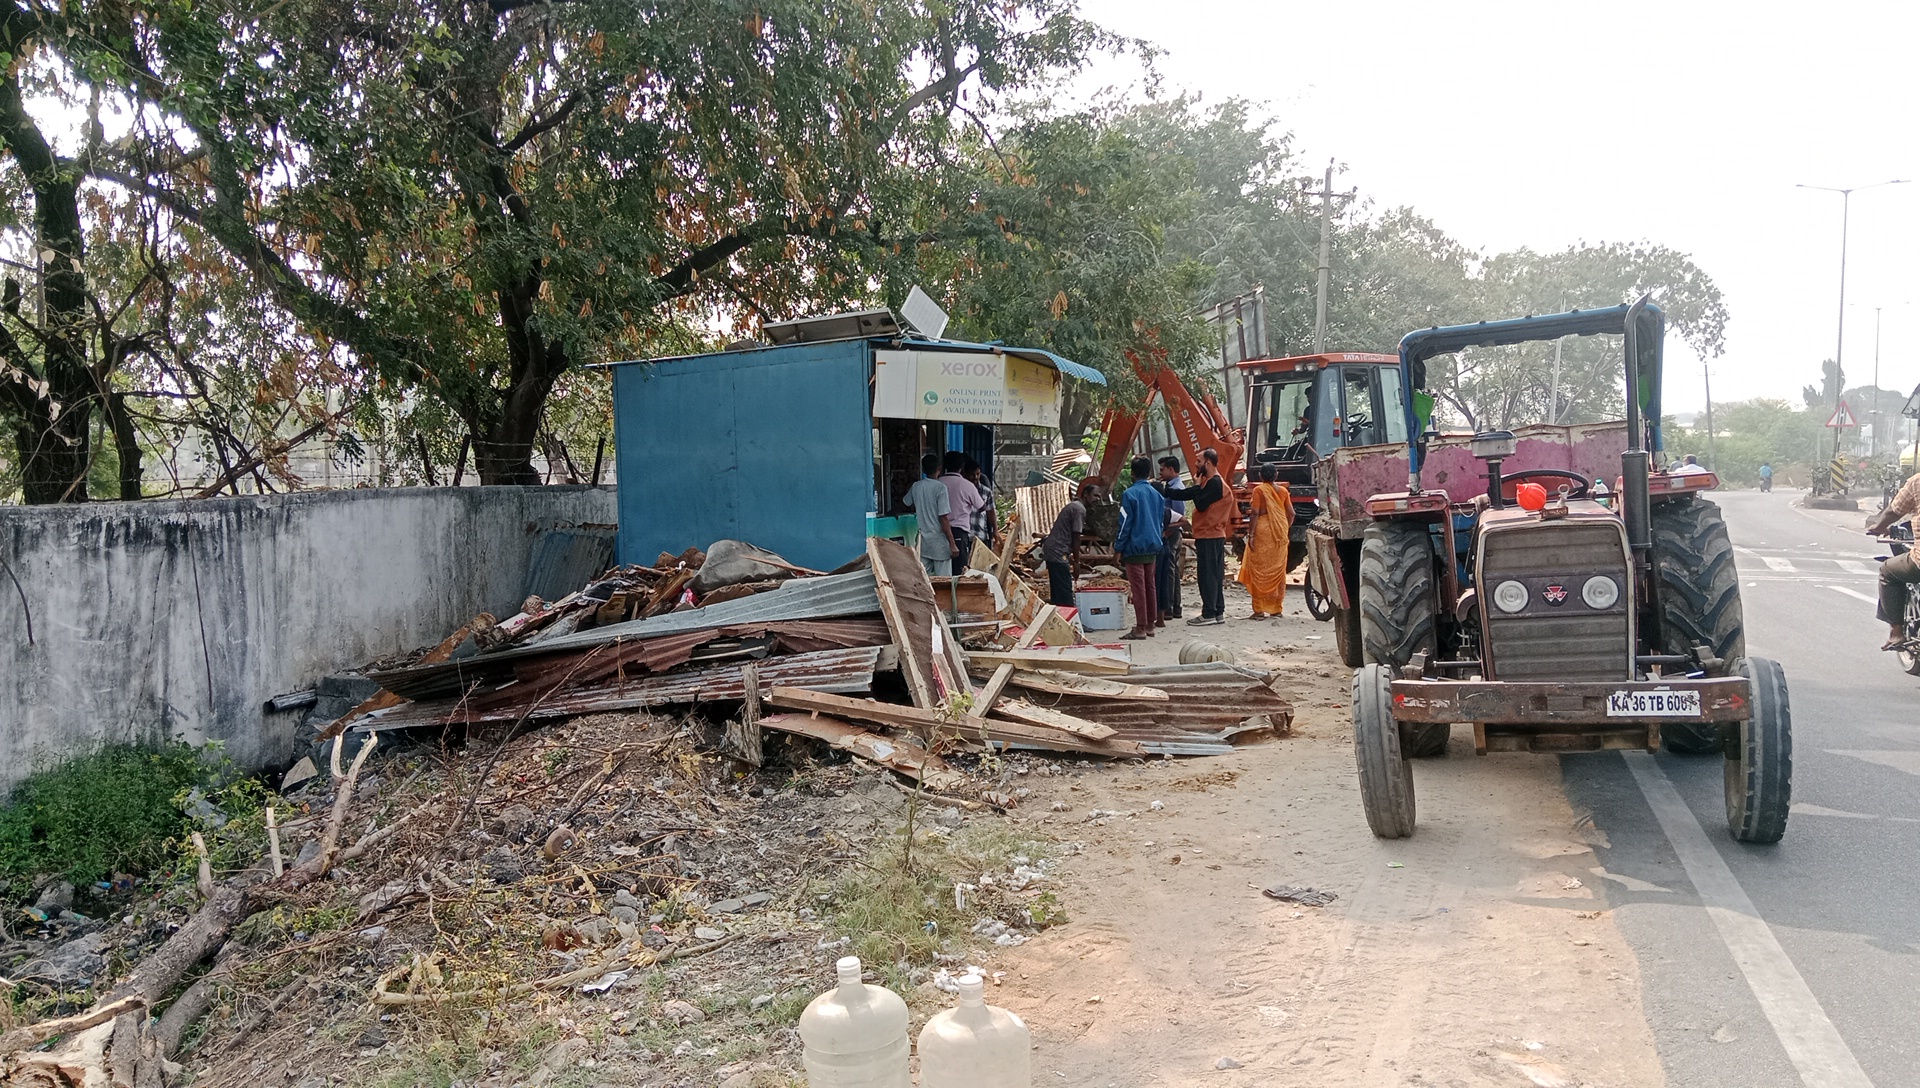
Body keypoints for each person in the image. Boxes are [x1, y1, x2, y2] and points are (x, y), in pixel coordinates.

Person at [1164, 447, 1235, 626]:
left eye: (1198, 461)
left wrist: (1195, 487)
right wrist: (1167, 491)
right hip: (1209, 534)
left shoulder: (1216, 483)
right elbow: (1189, 495)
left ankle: (1209, 613)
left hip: (1211, 535)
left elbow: (1201, 503)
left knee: (1207, 575)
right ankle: (1218, 611)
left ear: (1208, 463)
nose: (1195, 464)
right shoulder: (1207, 481)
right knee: (1214, 574)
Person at [1113, 457, 1166, 640]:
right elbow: (1160, 522)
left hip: (1134, 548)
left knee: (1138, 588)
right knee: (1150, 585)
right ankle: (1151, 625)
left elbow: (1125, 524)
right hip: (1152, 546)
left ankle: (1140, 627)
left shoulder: (1129, 494)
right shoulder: (1157, 495)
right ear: (1149, 472)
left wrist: (1118, 548)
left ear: (1132, 473)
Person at [1866, 473, 1920, 649]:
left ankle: (1896, 633)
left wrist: (1879, 527)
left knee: (1887, 571)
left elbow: (1893, 511)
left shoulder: (1917, 482)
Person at [1237, 463, 1293, 618]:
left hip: (1262, 531)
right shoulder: (1283, 491)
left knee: (1259, 568)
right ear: (1276, 475)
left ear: (1261, 476)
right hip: (1279, 533)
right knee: (1278, 569)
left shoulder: (1259, 490)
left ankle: (1259, 609)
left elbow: (1254, 513)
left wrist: (1252, 535)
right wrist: (1284, 526)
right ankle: (1276, 609)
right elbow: (1291, 513)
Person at [1041, 477, 1099, 607]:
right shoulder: (1079, 509)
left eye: (1099, 497)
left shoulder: (1074, 506)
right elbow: (1076, 537)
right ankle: (1070, 620)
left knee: (1057, 588)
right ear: (1085, 494)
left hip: (1053, 548)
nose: (1097, 499)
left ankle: (1059, 615)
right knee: (1065, 588)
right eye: (1095, 495)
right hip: (1058, 550)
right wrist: (1077, 562)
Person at [903, 453, 955, 577]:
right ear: (939, 468)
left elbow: (906, 502)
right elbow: (943, 518)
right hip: (939, 542)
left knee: (922, 579)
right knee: (944, 581)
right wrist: (952, 544)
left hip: (923, 541)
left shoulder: (916, 486)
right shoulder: (941, 488)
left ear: (923, 469)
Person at [939, 450, 984, 574]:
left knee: (940, 572)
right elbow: (982, 506)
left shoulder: (937, 484)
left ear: (944, 465)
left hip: (937, 532)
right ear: (962, 467)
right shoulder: (967, 485)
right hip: (958, 532)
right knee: (960, 572)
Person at [1155, 456, 1187, 621]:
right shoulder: (1169, 486)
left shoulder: (1177, 489)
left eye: (1162, 469)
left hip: (1172, 532)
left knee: (1170, 571)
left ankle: (1171, 606)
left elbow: (1179, 517)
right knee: (1171, 570)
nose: (1160, 472)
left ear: (1171, 469)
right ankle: (1173, 607)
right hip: (1170, 531)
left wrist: (1166, 532)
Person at [963, 457, 996, 550]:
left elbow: (991, 512)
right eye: (972, 475)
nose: (976, 477)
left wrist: (995, 530)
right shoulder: (961, 491)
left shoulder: (986, 491)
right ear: (965, 474)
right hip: (966, 537)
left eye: (978, 474)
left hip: (981, 536)